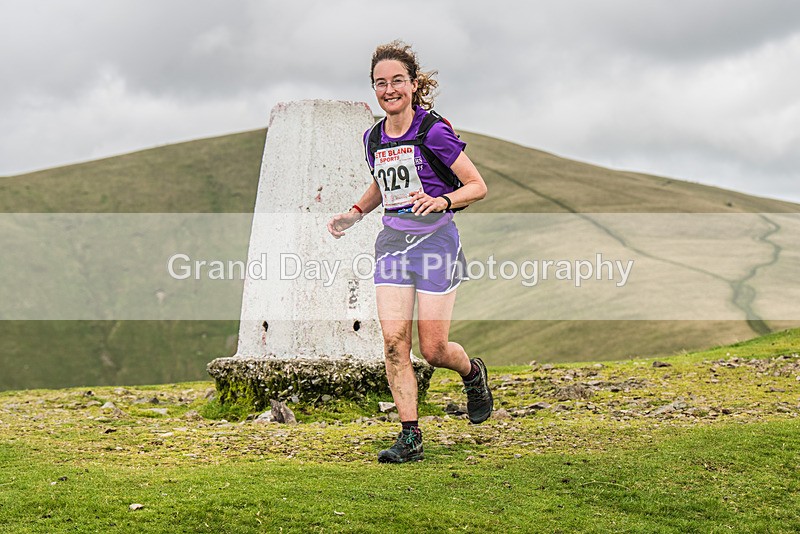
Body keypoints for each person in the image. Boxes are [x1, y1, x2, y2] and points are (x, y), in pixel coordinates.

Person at [327, 40, 492, 463]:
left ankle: (472, 374)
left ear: (414, 84)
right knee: (395, 342)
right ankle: (410, 435)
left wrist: (443, 200)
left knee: (433, 349)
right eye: (380, 83)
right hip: (394, 246)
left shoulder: (433, 130)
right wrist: (356, 211)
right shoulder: (373, 137)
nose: (389, 89)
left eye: (397, 80)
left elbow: (477, 186)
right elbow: (385, 185)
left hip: (437, 243)